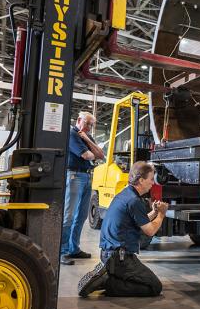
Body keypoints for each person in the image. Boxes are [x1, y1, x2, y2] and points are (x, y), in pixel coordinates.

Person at [78, 161, 169, 297]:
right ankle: (108, 281)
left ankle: (110, 274)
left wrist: (154, 212)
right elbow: (149, 230)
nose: (152, 183)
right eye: (151, 179)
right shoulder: (135, 201)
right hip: (120, 259)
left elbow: (140, 221)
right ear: (141, 180)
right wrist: (161, 214)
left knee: (144, 281)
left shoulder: (126, 194)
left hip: (110, 254)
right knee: (154, 287)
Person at [61, 111, 105, 265]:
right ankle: (63, 251)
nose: (89, 127)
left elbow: (101, 155)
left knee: (81, 216)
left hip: (86, 176)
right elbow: (87, 156)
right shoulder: (72, 134)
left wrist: (87, 139)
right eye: (87, 123)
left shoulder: (85, 136)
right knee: (69, 215)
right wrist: (93, 151)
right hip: (74, 176)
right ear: (79, 120)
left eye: (91, 125)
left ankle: (74, 248)